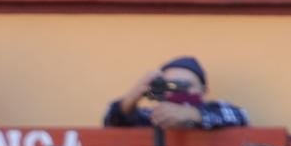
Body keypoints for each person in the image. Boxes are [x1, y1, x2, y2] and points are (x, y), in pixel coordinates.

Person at [103, 56, 248, 131]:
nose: (178, 91)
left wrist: (193, 115)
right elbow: (113, 121)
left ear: (203, 91)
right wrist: (134, 94)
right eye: (170, 85)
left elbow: (240, 117)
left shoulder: (215, 111)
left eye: (186, 85)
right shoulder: (152, 117)